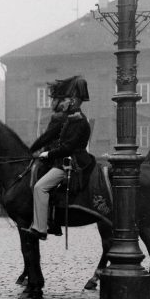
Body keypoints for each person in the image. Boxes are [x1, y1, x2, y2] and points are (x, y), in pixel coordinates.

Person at [24, 76, 92, 240]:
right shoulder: (71, 119)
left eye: (66, 100)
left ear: (74, 101)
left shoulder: (79, 121)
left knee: (40, 187)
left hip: (71, 164)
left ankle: (40, 228)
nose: (62, 103)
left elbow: (68, 147)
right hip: (65, 161)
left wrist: (48, 154)